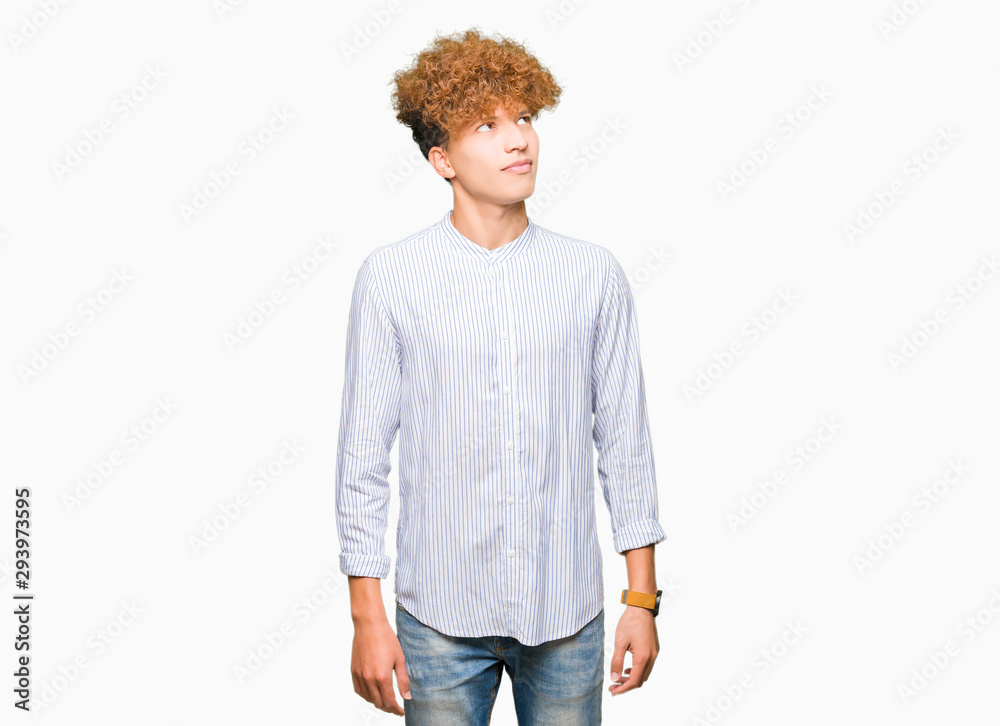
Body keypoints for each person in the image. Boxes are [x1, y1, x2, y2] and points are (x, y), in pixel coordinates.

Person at [336, 27, 666, 725]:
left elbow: (626, 446)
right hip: (437, 619)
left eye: (523, 117)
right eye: (486, 125)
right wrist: (367, 615)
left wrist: (641, 600)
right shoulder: (391, 278)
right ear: (441, 160)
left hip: (566, 614)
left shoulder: (592, 275)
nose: (518, 139)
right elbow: (363, 458)